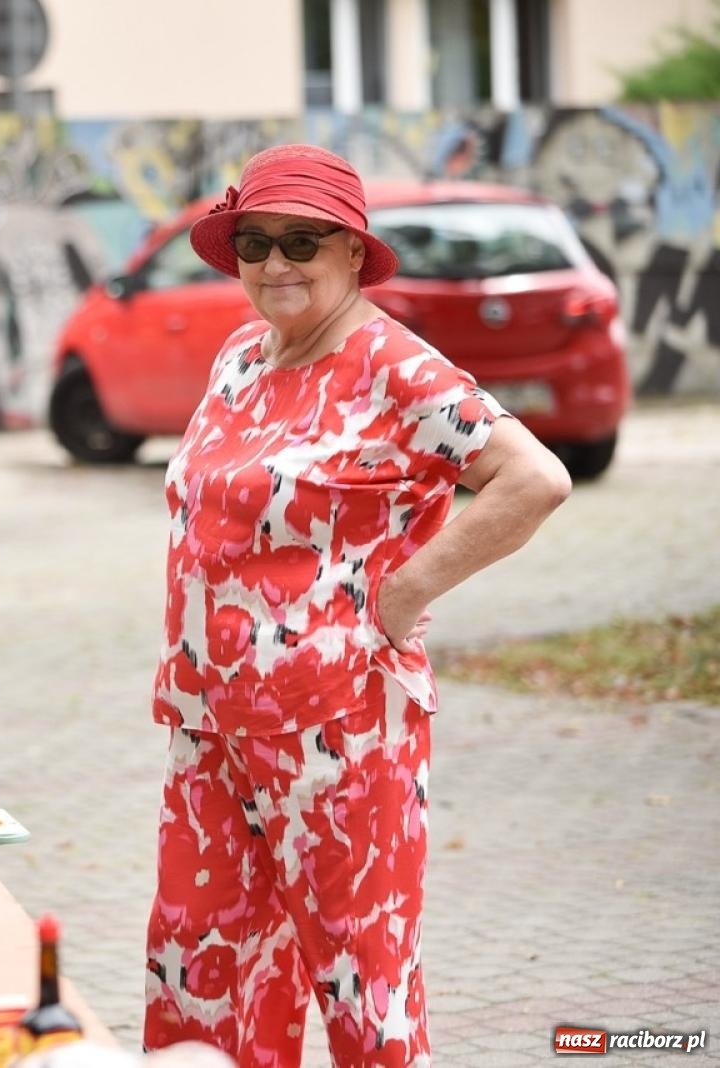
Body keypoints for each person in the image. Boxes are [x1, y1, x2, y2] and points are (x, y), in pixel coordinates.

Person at [143, 145, 572, 1067]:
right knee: (201, 972)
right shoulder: (237, 358)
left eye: (302, 240)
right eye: (255, 242)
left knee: (361, 990)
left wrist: (405, 590)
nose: (276, 263)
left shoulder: (393, 366)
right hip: (210, 729)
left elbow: (534, 479)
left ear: (350, 251)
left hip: (338, 740)